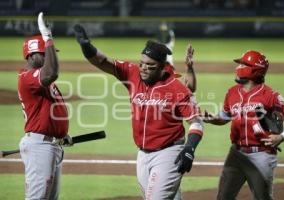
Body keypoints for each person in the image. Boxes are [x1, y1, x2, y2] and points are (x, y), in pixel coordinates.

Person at [74, 24, 204, 200]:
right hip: (142, 154)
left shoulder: (176, 88)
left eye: (150, 65)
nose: (143, 68)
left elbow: (196, 121)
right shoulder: (132, 74)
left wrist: (190, 148)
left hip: (169, 153)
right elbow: (103, 61)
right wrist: (85, 45)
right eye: (141, 63)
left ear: (163, 67)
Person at [203, 50, 284, 200]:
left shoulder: (270, 95)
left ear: (255, 69)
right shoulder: (232, 93)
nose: (238, 67)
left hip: (262, 155)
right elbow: (225, 116)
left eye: (242, 64)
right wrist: (212, 119)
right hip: (236, 153)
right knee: (223, 197)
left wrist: (282, 136)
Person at [18, 12, 72, 200]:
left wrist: (61, 133)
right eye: (46, 54)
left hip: (51, 144)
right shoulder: (28, 78)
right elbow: (52, 72)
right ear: (32, 56)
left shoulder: (42, 82)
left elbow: (50, 110)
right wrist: (47, 37)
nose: (51, 58)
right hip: (40, 146)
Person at [157, 23, 197, 93]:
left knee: (169, 69)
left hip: (168, 55)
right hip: (165, 55)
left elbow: (191, 89)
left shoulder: (169, 39)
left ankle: (171, 79)